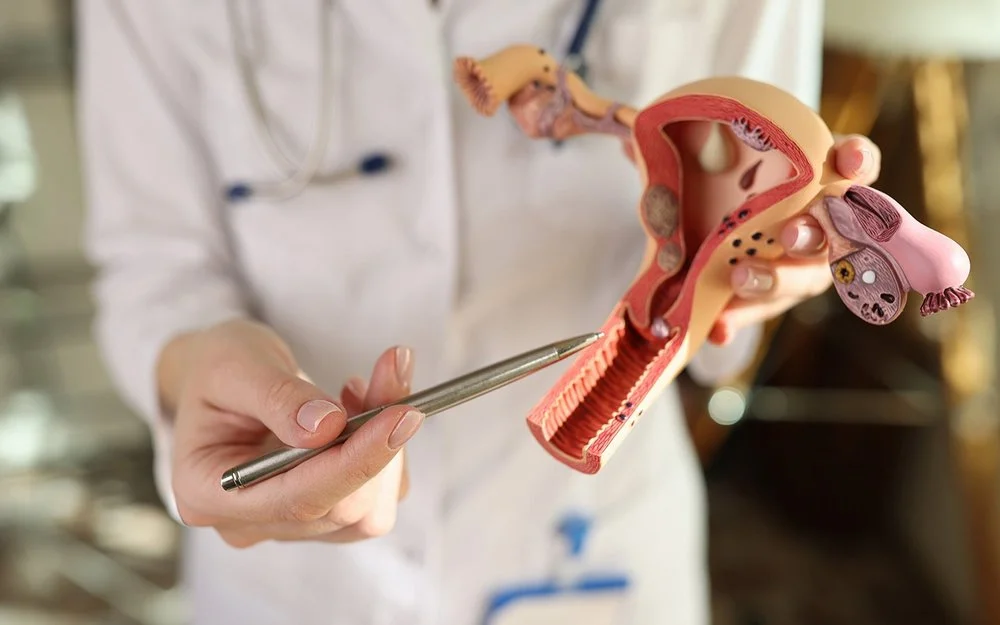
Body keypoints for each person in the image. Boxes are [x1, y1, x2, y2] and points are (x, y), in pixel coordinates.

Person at [76, 1, 881, 623]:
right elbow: (155, 268)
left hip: (592, 549)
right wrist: (201, 366)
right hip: (289, 590)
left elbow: (724, 331)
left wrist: (764, 272)